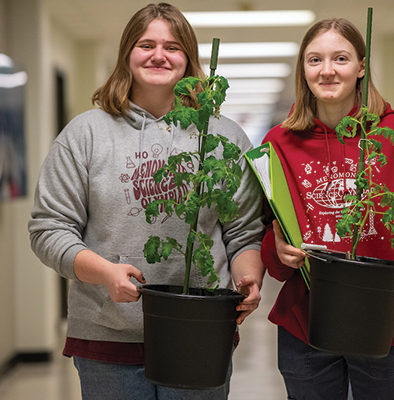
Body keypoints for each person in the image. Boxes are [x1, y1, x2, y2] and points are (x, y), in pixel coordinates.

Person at [28, 3, 265, 399]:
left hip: (200, 330)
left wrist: (249, 279)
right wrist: (105, 272)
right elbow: (49, 228)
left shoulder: (222, 137)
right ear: (127, 54)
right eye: (146, 44)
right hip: (108, 333)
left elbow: (243, 232)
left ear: (189, 58)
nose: (159, 55)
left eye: (172, 46)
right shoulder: (86, 134)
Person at [260, 18, 394, 400]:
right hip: (305, 321)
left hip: (387, 320)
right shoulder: (279, 143)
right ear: (303, 68)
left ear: (362, 66)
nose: (328, 70)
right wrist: (278, 251)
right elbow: (265, 230)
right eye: (315, 60)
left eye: (341, 58)